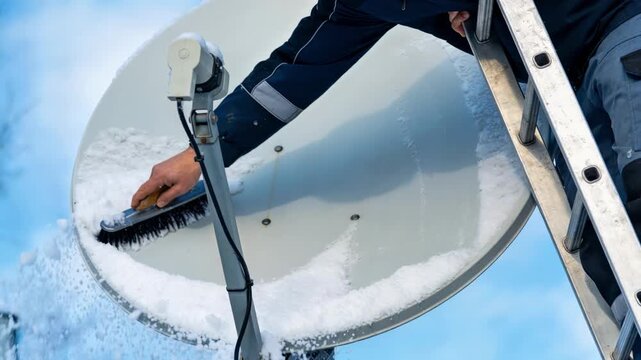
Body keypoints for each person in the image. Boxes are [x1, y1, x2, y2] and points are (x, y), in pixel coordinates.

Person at [131, 0, 641, 356]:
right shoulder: (358, 4)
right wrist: (201, 152)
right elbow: (290, 75)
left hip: (624, 26)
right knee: (609, 255)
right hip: (563, 90)